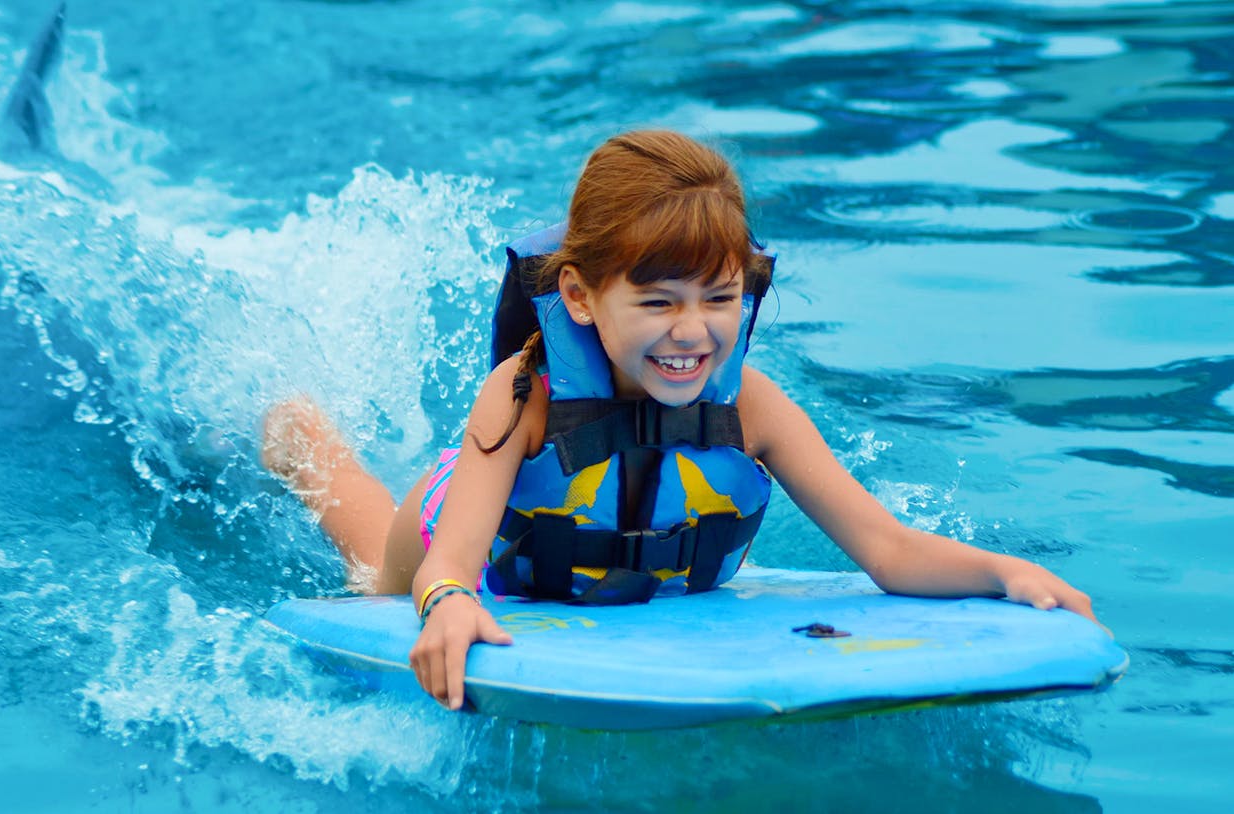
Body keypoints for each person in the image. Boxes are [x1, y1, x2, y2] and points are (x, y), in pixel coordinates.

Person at [261, 130, 1099, 712]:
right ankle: (295, 435)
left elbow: (888, 551)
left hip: (588, 560)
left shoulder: (753, 407)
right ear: (583, 297)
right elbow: (447, 567)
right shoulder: (526, 397)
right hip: (473, 530)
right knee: (374, 563)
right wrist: (442, 600)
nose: (692, 332)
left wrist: (1000, 574)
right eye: (658, 302)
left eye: (720, 298)